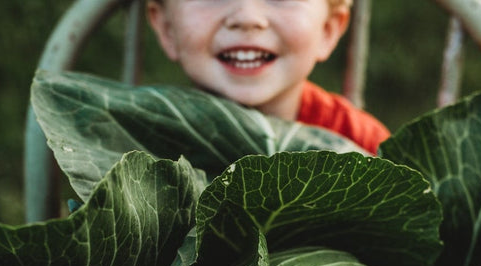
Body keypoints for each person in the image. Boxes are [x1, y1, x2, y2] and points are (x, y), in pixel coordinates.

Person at [146, 0, 390, 154]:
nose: (247, 18)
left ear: (328, 29)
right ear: (167, 28)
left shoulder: (364, 144)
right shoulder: (138, 138)